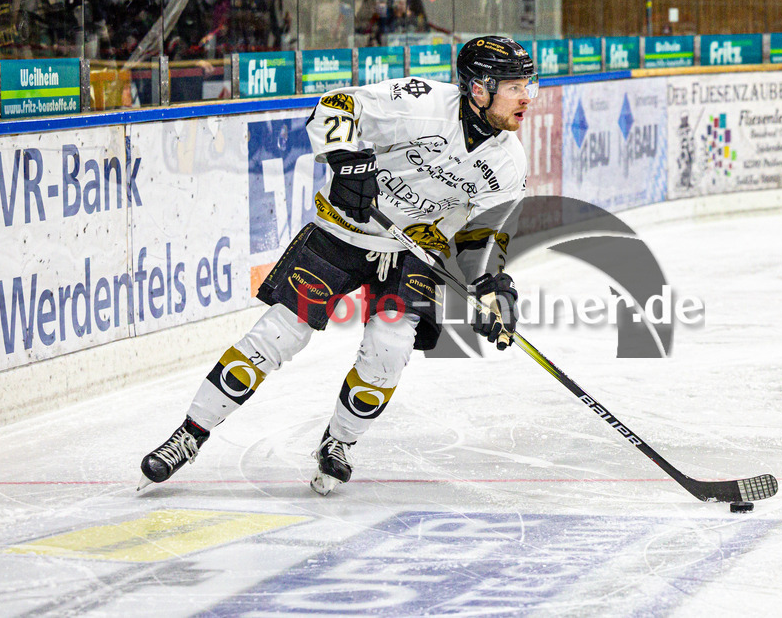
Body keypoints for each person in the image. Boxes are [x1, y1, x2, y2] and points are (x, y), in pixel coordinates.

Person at [139, 36, 537, 495]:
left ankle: (339, 442)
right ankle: (190, 434)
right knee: (278, 334)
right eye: (513, 86)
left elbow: (477, 238)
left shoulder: (509, 162)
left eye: (528, 84)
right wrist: (347, 160)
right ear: (478, 90)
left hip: (412, 254)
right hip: (341, 234)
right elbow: (333, 107)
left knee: (388, 350)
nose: (526, 95)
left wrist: (492, 287)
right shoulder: (421, 103)